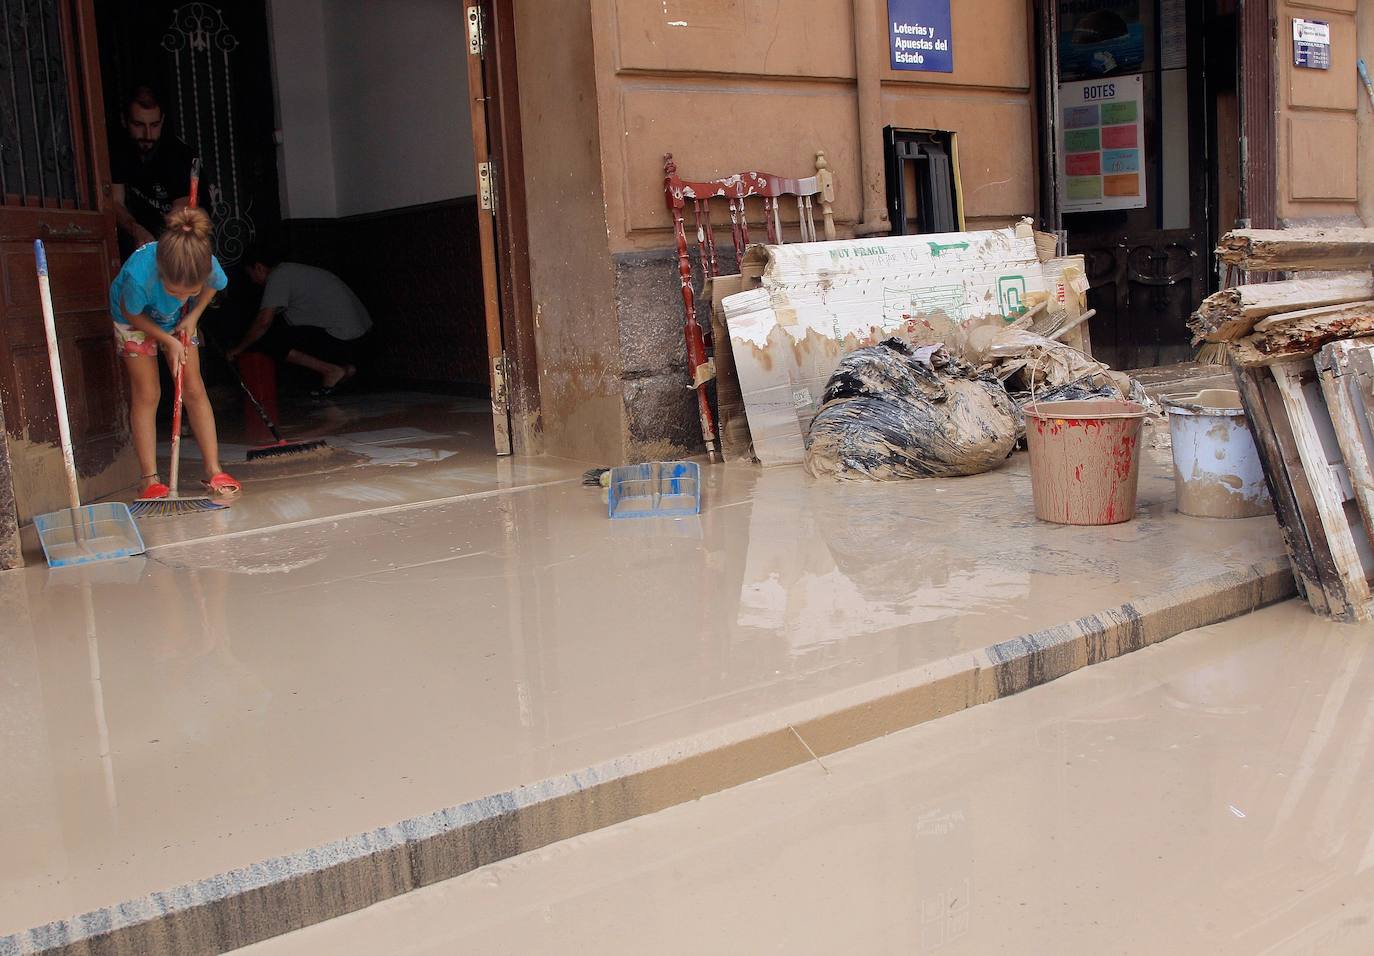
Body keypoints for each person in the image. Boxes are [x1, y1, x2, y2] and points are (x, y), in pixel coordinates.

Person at [110, 207, 241, 501]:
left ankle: (213, 469)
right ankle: (149, 480)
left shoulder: (202, 262)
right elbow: (132, 313)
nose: (183, 296)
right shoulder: (139, 275)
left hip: (179, 320)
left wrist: (192, 315)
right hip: (134, 319)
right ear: (162, 274)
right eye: (176, 291)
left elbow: (215, 286)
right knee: (148, 393)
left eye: (188, 292)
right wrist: (166, 342)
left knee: (193, 388)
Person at [228, 252, 372, 394]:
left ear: (258, 267)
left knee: (268, 339)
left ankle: (331, 370)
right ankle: (346, 368)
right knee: (283, 333)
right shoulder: (292, 271)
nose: (253, 280)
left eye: (250, 274)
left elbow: (263, 323)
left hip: (342, 337)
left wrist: (239, 349)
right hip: (359, 336)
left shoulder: (278, 276)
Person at [110, 86, 197, 256]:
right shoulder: (118, 152)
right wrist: (135, 229)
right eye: (138, 124)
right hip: (139, 238)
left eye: (155, 125)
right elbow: (114, 202)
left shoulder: (181, 156)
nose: (148, 134)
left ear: (162, 120)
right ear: (124, 120)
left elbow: (183, 211)